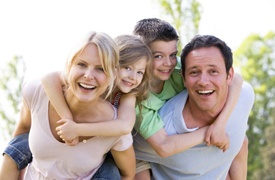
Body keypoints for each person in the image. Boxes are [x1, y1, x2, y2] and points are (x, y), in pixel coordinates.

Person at [0, 34, 152, 179]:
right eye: (128, 68)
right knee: (19, 143)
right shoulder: (79, 81)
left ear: (111, 70)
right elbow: (48, 78)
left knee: (110, 172)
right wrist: (67, 119)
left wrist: (76, 130)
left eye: (140, 72)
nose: (133, 77)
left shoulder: (126, 96)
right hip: (63, 153)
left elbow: (124, 127)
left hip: (108, 152)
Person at [131, 18, 245, 179]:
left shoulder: (177, 69)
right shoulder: (136, 95)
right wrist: (209, 131)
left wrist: (220, 125)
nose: (167, 63)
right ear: (140, 54)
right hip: (142, 148)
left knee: (239, 141)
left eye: (172, 55)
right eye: (158, 56)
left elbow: (236, 79)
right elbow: (163, 147)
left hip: (176, 132)